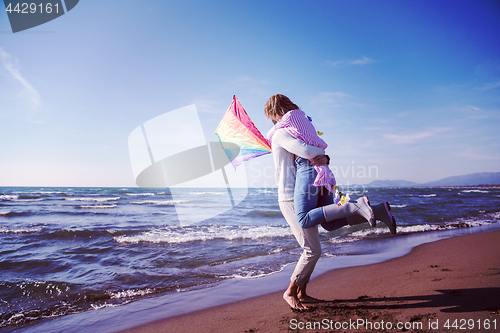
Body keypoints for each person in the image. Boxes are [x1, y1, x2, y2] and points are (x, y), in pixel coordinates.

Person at [264, 94, 396, 310]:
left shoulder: (280, 133)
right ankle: (378, 211)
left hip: (290, 195)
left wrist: (323, 157)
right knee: (328, 226)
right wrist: (325, 158)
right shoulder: (292, 131)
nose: (273, 120)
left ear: (276, 113)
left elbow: (309, 153)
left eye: (272, 116)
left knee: (311, 249)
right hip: (303, 189)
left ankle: (290, 292)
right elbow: (312, 153)